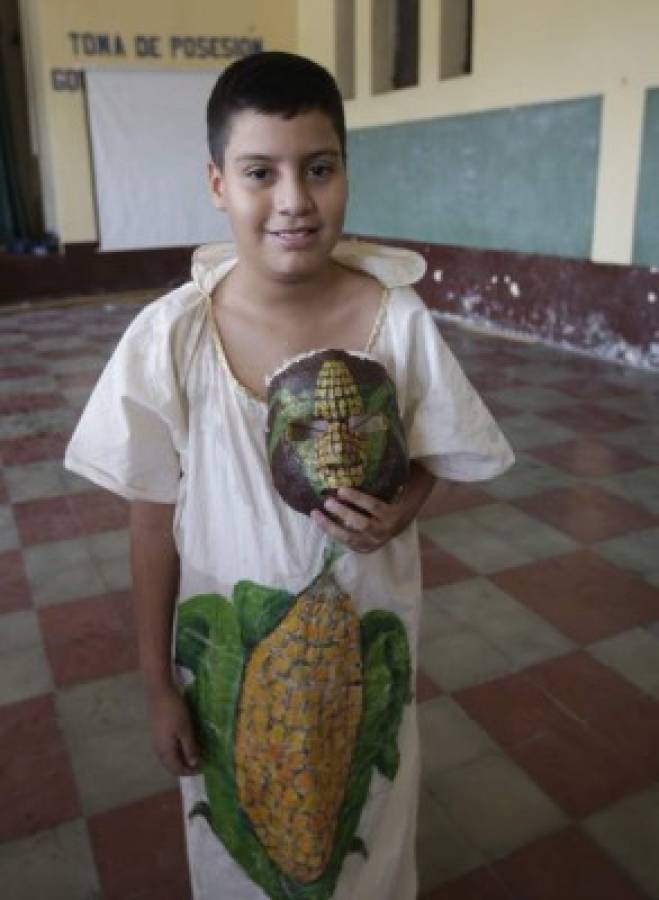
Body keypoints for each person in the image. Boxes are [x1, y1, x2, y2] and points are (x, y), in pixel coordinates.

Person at [64, 50, 513, 900]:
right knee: (241, 849)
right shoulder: (171, 337)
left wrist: (400, 510)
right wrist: (160, 685)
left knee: (366, 831)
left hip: (360, 657)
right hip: (227, 685)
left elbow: (432, 458)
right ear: (217, 184)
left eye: (319, 169)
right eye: (259, 172)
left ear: (345, 170)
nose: (293, 201)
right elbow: (151, 517)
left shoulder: (396, 318)